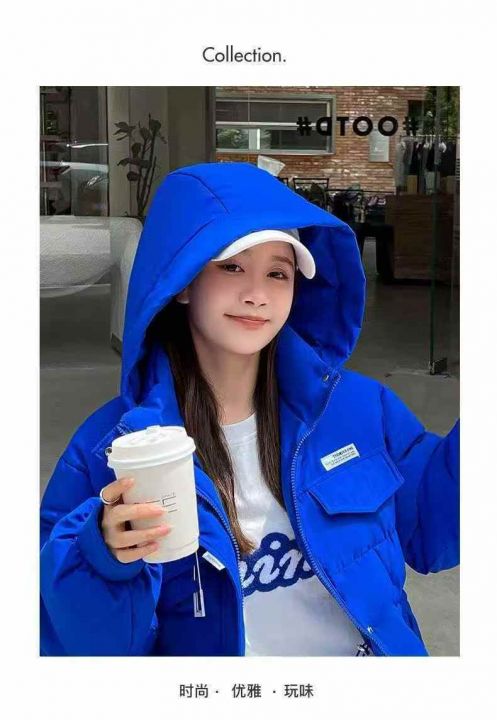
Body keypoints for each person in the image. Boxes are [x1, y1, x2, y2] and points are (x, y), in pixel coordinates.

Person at [40, 161, 460, 657]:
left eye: (278, 273)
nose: (258, 295)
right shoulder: (108, 450)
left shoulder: (360, 409)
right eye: (232, 267)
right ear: (182, 280)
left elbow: (433, 531)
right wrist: (101, 555)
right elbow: (74, 645)